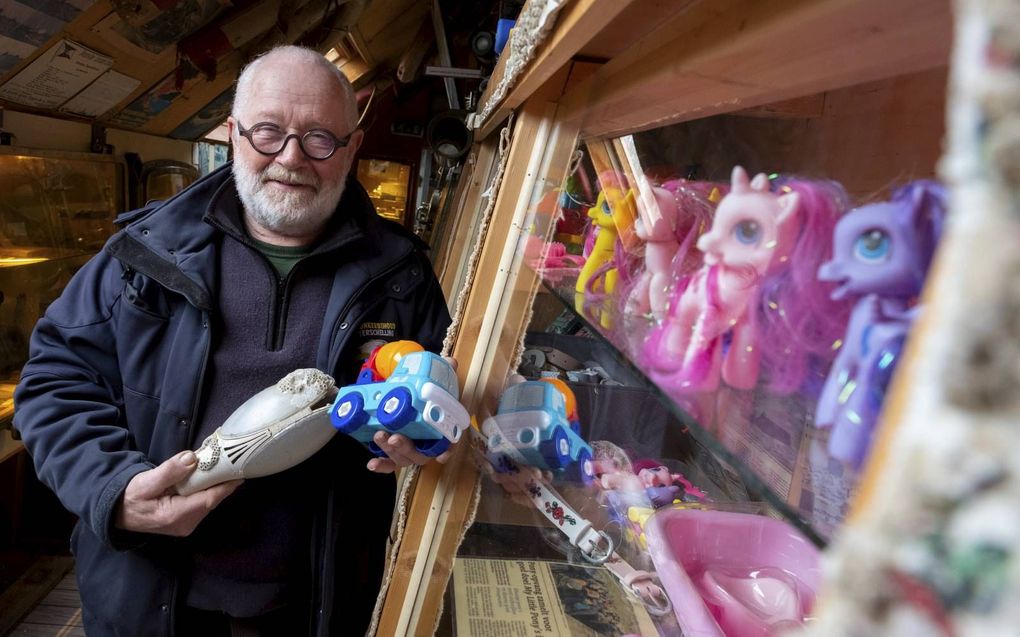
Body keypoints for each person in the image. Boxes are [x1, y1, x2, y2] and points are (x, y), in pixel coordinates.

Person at [13, 45, 452, 636]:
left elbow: (439, 406)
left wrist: (424, 440)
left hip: (319, 603)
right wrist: (112, 489)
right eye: (268, 132)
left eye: (320, 138)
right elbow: (53, 383)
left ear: (352, 149)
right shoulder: (142, 256)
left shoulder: (401, 275)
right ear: (232, 134)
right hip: (149, 597)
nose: (291, 158)